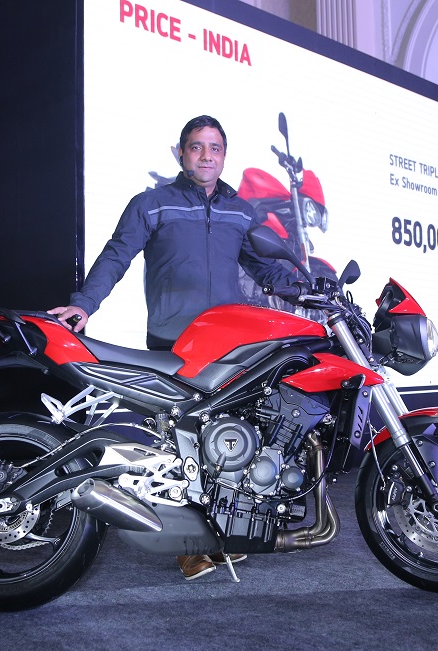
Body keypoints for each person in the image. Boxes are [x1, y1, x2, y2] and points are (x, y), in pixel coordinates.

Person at [48, 114, 302, 579]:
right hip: (174, 339)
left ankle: (223, 534)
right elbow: (116, 255)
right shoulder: (152, 204)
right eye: (196, 147)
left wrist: (309, 289)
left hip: (231, 343)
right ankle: (188, 546)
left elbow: (265, 269)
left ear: (224, 156)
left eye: (215, 148)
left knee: (226, 441)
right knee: (180, 442)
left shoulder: (240, 210)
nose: (206, 156)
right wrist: (84, 305)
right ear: (180, 153)